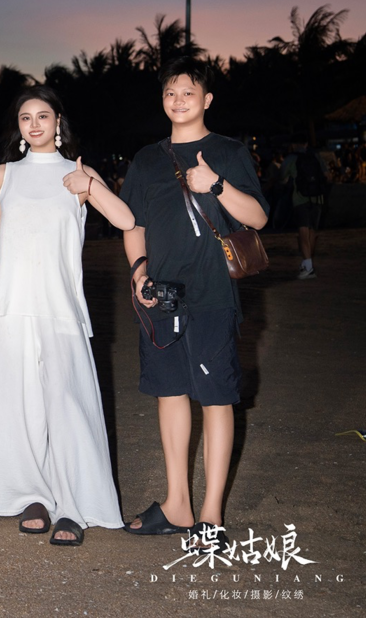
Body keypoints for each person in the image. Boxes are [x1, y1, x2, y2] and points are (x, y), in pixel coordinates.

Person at [0, 86, 132, 547]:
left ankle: (73, 505)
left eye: (43, 116)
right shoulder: (3, 175)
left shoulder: (77, 172)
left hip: (60, 305)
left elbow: (125, 220)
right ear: (18, 126)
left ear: (58, 122)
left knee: (67, 404)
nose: (34, 124)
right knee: (14, 405)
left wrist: (90, 187)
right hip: (11, 305)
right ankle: (32, 495)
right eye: (26, 117)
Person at [120, 57, 269, 549]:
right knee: (170, 393)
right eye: (170, 92)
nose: (178, 100)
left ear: (207, 100)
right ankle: (178, 505)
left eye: (188, 92)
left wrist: (217, 185)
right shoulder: (146, 160)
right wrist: (139, 272)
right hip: (161, 296)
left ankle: (211, 516)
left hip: (211, 295)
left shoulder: (227, 151)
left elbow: (258, 218)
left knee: (217, 398)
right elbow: (134, 225)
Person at [281, 136, 326, 280]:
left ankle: (308, 267)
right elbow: (327, 175)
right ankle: (307, 262)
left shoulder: (291, 158)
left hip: (300, 198)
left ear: (294, 144)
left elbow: (282, 178)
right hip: (317, 198)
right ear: (306, 143)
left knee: (303, 231)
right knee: (312, 231)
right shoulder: (316, 157)